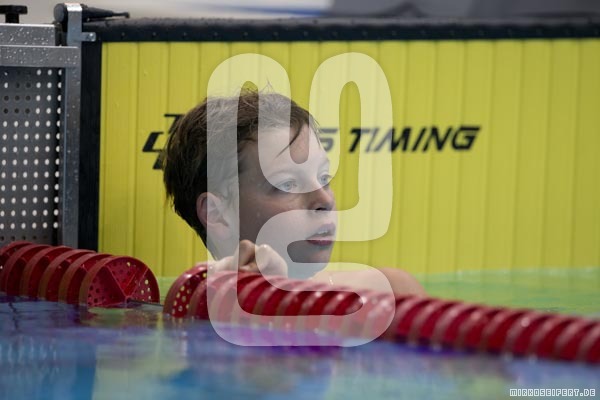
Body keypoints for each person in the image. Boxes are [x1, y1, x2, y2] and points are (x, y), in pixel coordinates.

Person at [162, 89, 424, 296]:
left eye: (324, 178)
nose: (324, 200)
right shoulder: (196, 307)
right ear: (217, 215)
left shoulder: (391, 290)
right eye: (287, 185)